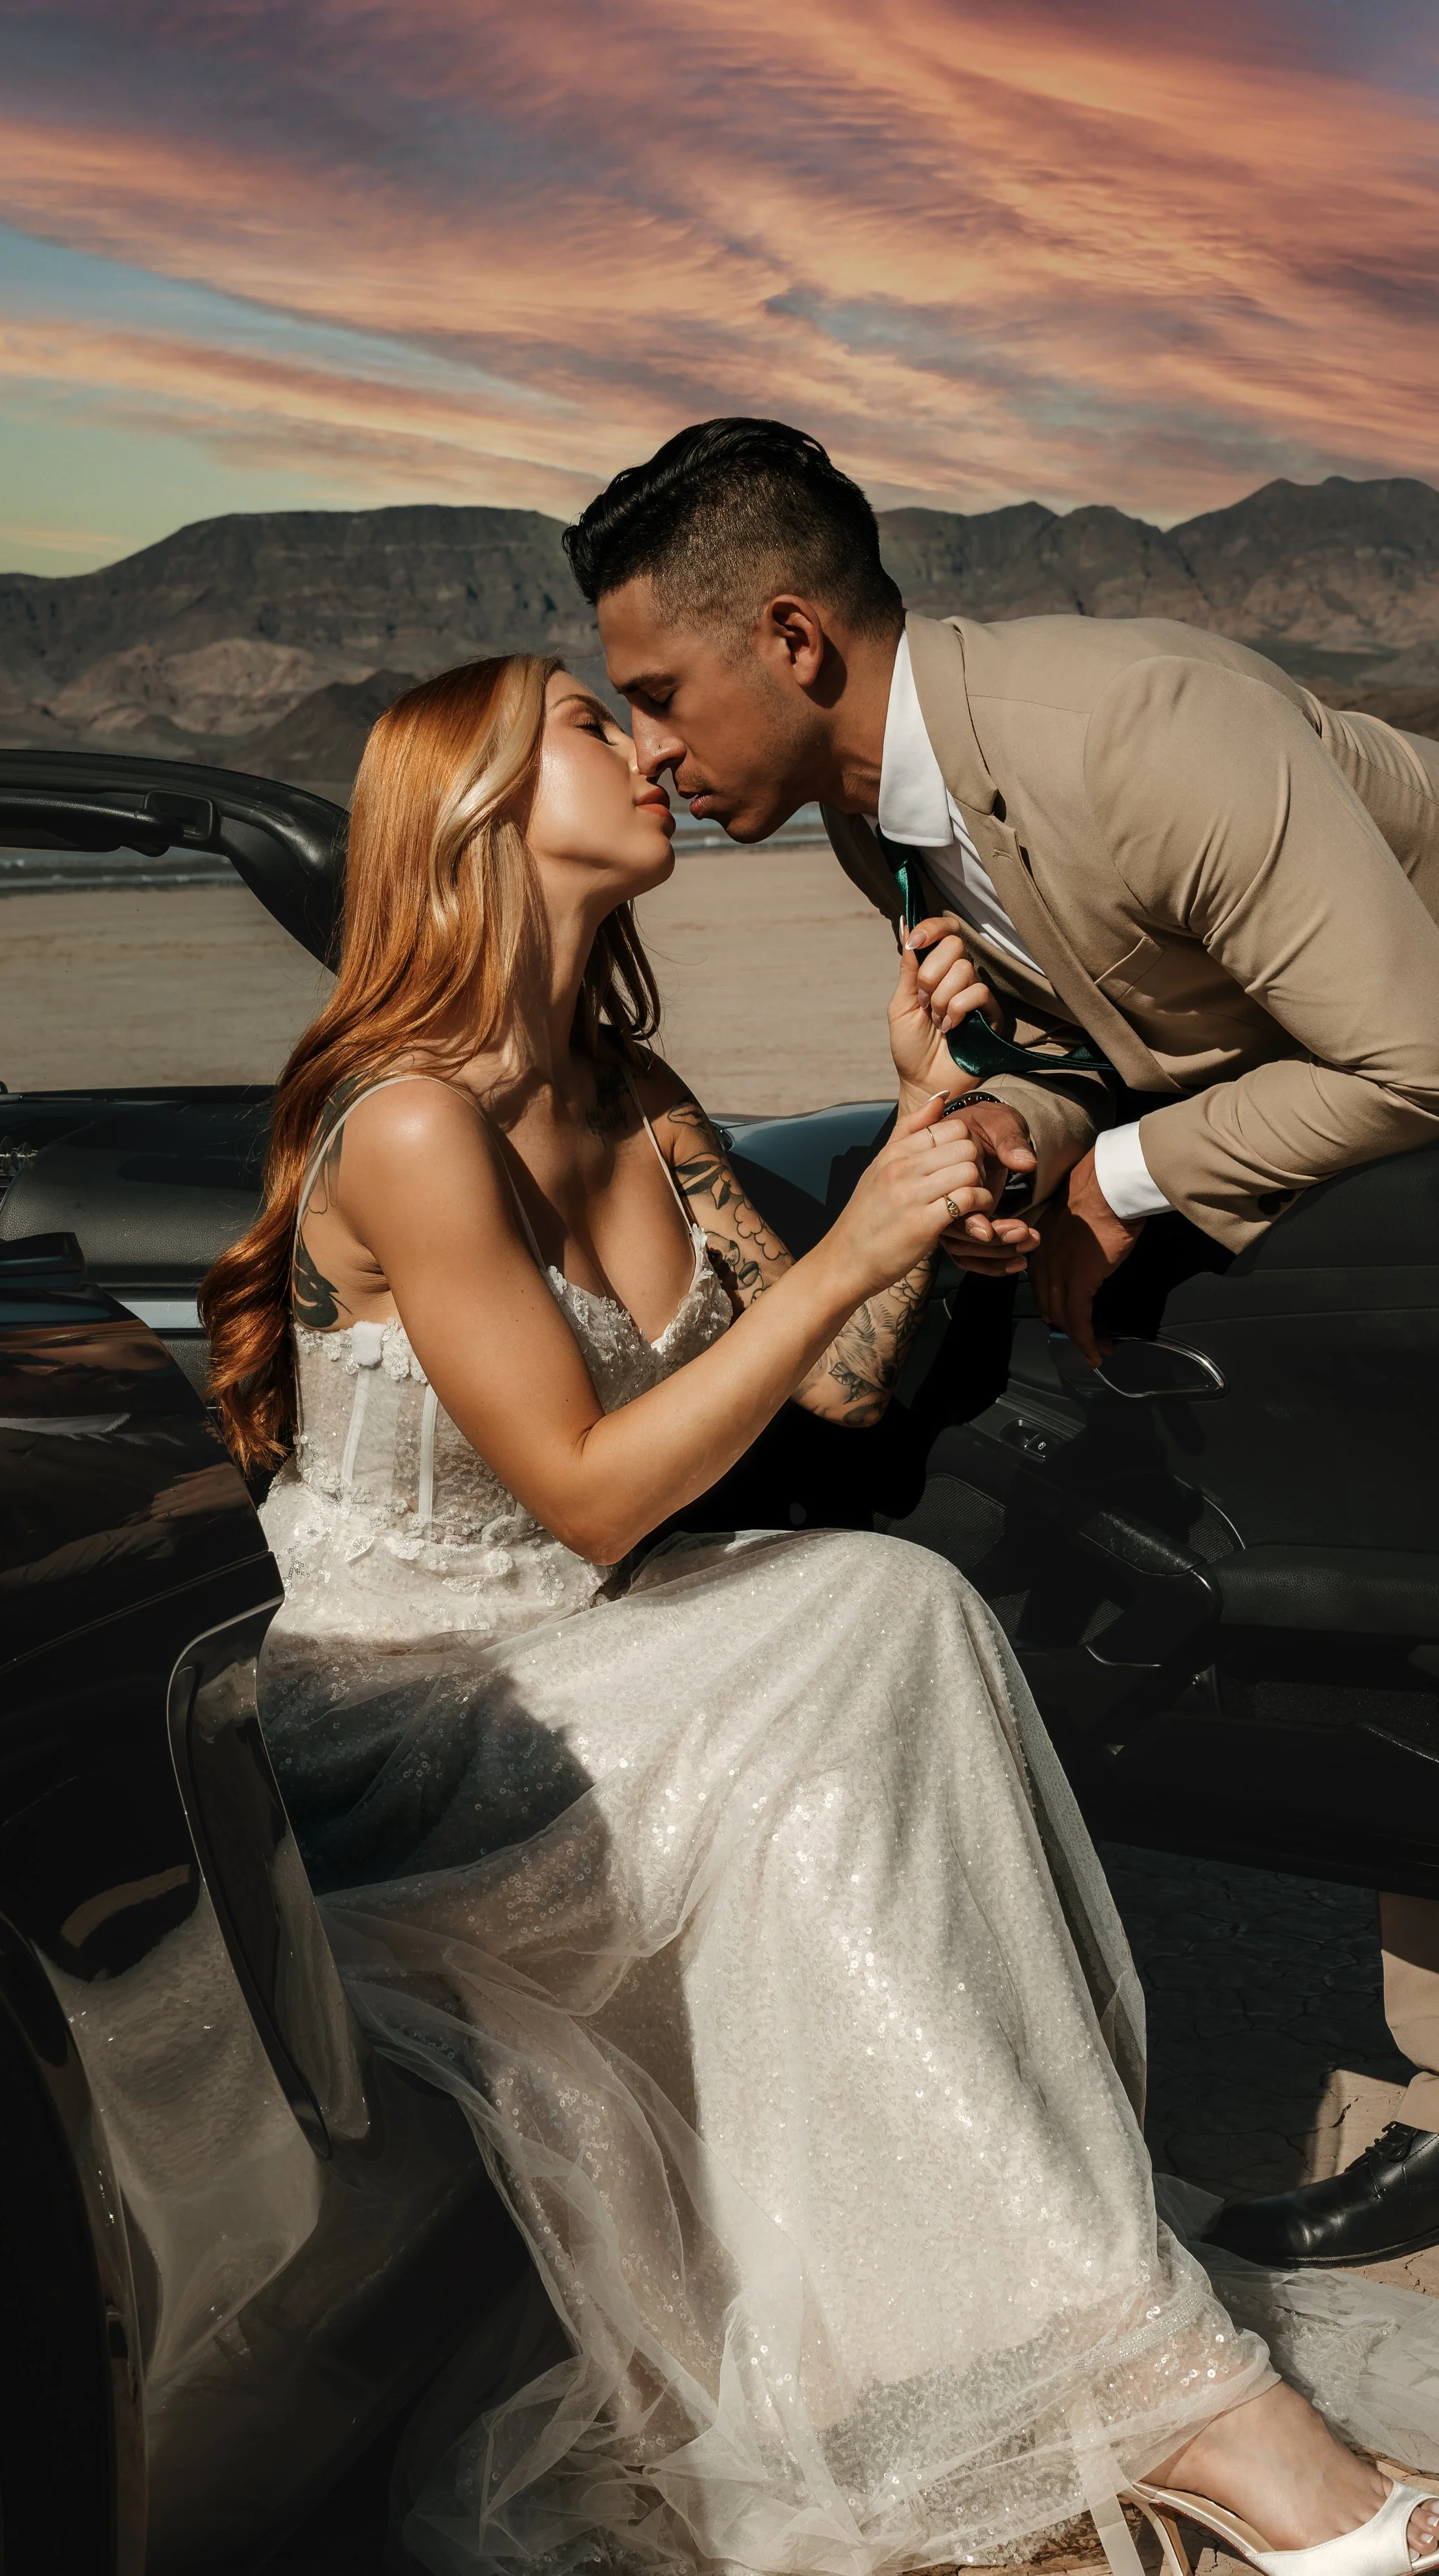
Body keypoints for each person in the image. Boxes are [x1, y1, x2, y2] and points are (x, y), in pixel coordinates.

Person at [200, 653, 1439, 2576]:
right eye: (587, 725)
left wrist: (909, 1118)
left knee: (895, 1614)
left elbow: (847, 1380)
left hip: (595, 1643)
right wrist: (862, 1229)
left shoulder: (631, 1091)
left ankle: (1011, 2349)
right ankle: (1165, 2389)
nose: (645, 747)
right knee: (863, 1610)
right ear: (474, 811)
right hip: (416, 1702)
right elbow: (594, 1483)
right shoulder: (410, 1126)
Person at [565, 414, 1439, 2280]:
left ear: (791, 642)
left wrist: (1115, 1172)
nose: (646, 743)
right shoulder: (865, 822)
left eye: (654, 692)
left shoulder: (1135, 730)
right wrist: (1012, 1136)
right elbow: (1088, 1034)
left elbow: (1408, 1048)